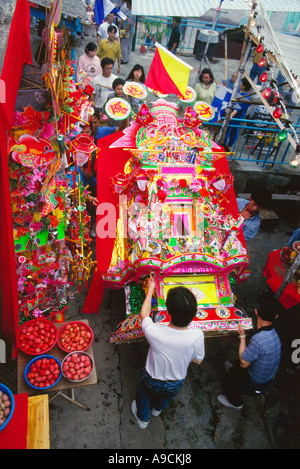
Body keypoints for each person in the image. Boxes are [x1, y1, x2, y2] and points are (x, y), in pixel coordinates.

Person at [131, 277, 205, 429]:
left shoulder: (155, 331)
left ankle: (143, 419)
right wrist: (182, 355)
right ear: (194, 313)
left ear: (169, 312)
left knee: (143, 395)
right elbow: (198, 360)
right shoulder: (197, 335)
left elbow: (144, 316)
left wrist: (151, 288)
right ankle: (157, 410)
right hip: (176, 383)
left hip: (151, 379)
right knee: (166, 397)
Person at [217, 292, 281, 410]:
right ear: (276, 316)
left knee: (228, 383)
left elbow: (244, 363)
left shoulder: (259, 339)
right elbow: (254, 346)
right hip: (267, 377)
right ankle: (233, 372)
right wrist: (234, 338)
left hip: (256, 384)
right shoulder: (272, 333)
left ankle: (236, 403)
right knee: (236, 367)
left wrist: (241, 336)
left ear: (256, 311)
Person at [225, 77, 252, 147]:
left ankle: (227, 146)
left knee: (229, 133)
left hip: (236, 118)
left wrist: (231, 115)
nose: (239, 84)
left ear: (244, 86)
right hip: (235, 117)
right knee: (230, 132)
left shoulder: (246, 98)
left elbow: (238, 108)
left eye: (241, 83)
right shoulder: (242, 94)